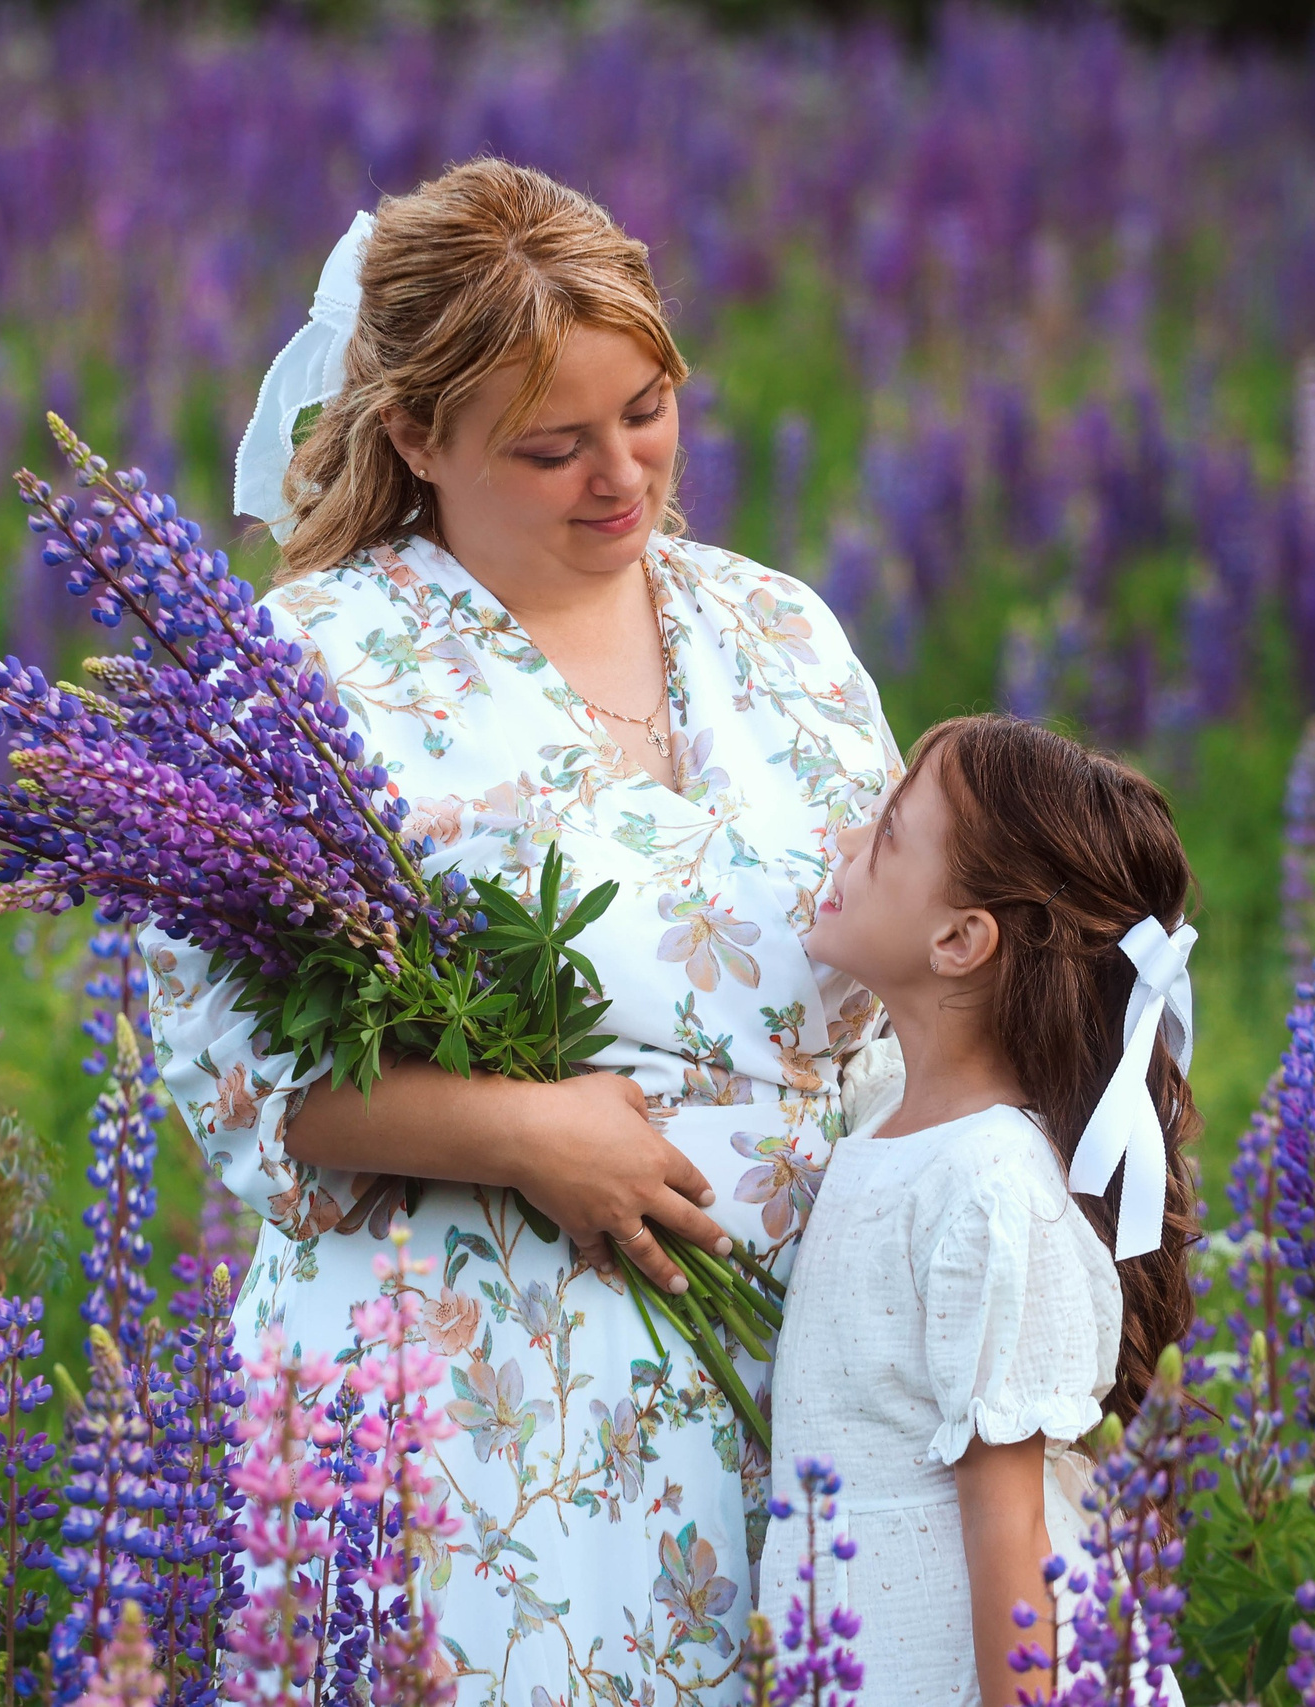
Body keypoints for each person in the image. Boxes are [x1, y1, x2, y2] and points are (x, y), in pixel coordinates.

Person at [146, 157, 901, 1703]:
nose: (622, 475)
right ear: (419, 434)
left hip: (812, 1382)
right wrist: (528, 1132)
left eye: (647, 410)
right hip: (469, 1408)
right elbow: (229, 1068)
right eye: (553, 446)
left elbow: (907, 972)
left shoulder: (778, 628)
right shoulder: (312, 668)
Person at [765, 713, 1200, 1704]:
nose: (842, 844)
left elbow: (1016, 1548)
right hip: (855, 1645)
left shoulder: (992, 1186)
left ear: (960, 939)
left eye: (883, 837)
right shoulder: (884, 1112)